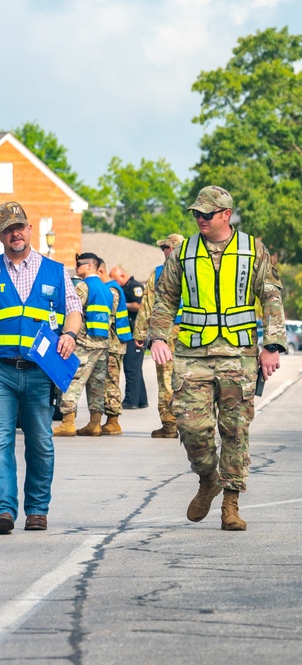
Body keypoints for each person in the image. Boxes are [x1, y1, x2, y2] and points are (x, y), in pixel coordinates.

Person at [149, 186, 285, 531]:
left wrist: (272, 345)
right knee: (191, 427)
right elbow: (164, 298)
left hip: (238, 355)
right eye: (196, 213)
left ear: (226, 214)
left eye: (207, 214)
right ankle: (208, 477)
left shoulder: (253, 250)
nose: (200, 219)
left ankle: (231, 503)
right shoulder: (182, 252)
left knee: (235, 430)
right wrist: (157, 337)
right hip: (192, 352)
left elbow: (270, 296)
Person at [0, 202, 82, 534]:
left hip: (40, 372)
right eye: (9, 228)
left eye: (21, 226)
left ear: (30, 230)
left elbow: (74, 309)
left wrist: (69, 334)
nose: (16, 233)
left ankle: (38, 509)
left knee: (40, 439)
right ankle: (3, 510)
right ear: (0, 235)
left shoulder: (54, 271)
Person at [53, 253, 112, 437]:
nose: (76, 267)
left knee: (72, 382)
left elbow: (73, 311)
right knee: (97, 385)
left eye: (79, 264)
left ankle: (68, 423)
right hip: (102, 343)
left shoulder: (83, 286)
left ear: (89, 266)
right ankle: (95, 424)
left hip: (84, 344)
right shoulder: (106, 290)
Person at [132, 233, 185, 438]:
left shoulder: (159, 272)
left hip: (166, 332)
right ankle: (193, 425)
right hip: (194, 332)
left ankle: (170, 425)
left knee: (166, 379)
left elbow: (147, 305)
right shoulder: (196, 269)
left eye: (164, 247)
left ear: (171, 249)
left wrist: (141, 332)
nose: (162, 251)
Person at [99, 259, 133, 435]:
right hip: (114, 342)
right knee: (107, 381)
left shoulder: (111, 290)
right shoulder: (110, 288)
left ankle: (113, 421)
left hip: (113, 343)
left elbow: (107, 317)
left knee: (111, 381)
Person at [109, 266, 149, 409]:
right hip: (131, 333)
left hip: (136, 334)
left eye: (114, 278)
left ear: (122, 275)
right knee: (136, 368)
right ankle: (141, 400)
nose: (113, 281)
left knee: (131, 368)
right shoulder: (125, 288)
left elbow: (139, 306)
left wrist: (120, 305)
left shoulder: (135, 287)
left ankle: (131, 400)